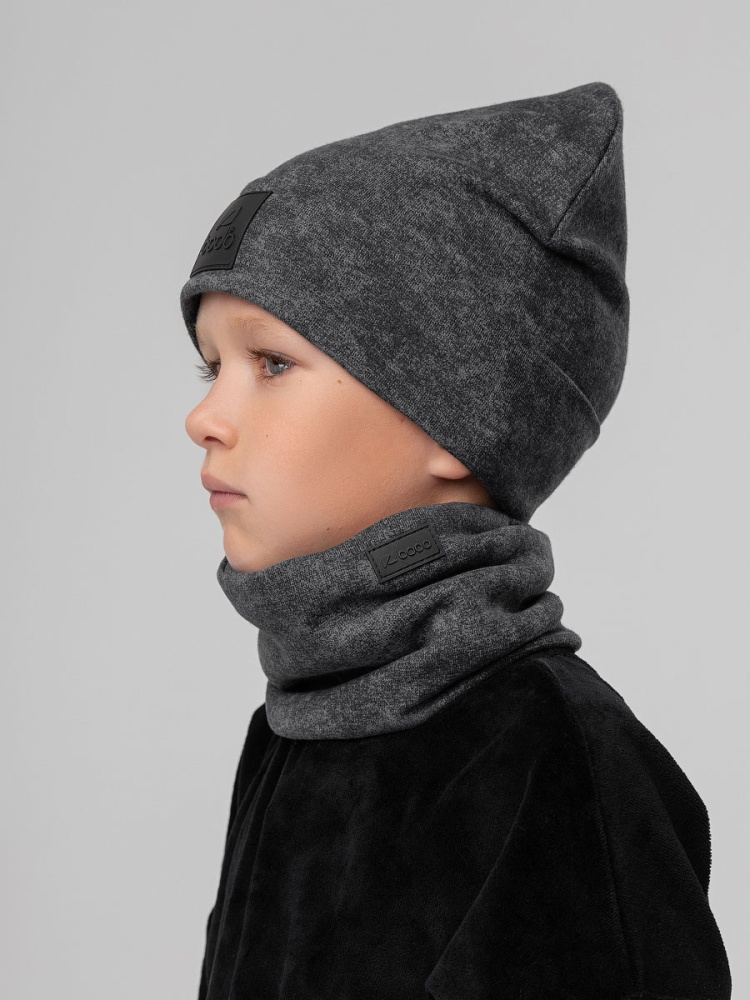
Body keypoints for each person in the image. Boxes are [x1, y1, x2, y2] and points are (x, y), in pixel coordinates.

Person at [180, 81, 732, 1000]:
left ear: (459, 414)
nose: (205, 417)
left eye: (271, 362)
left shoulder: (556, 761)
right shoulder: (298, 720)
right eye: (211, 366)